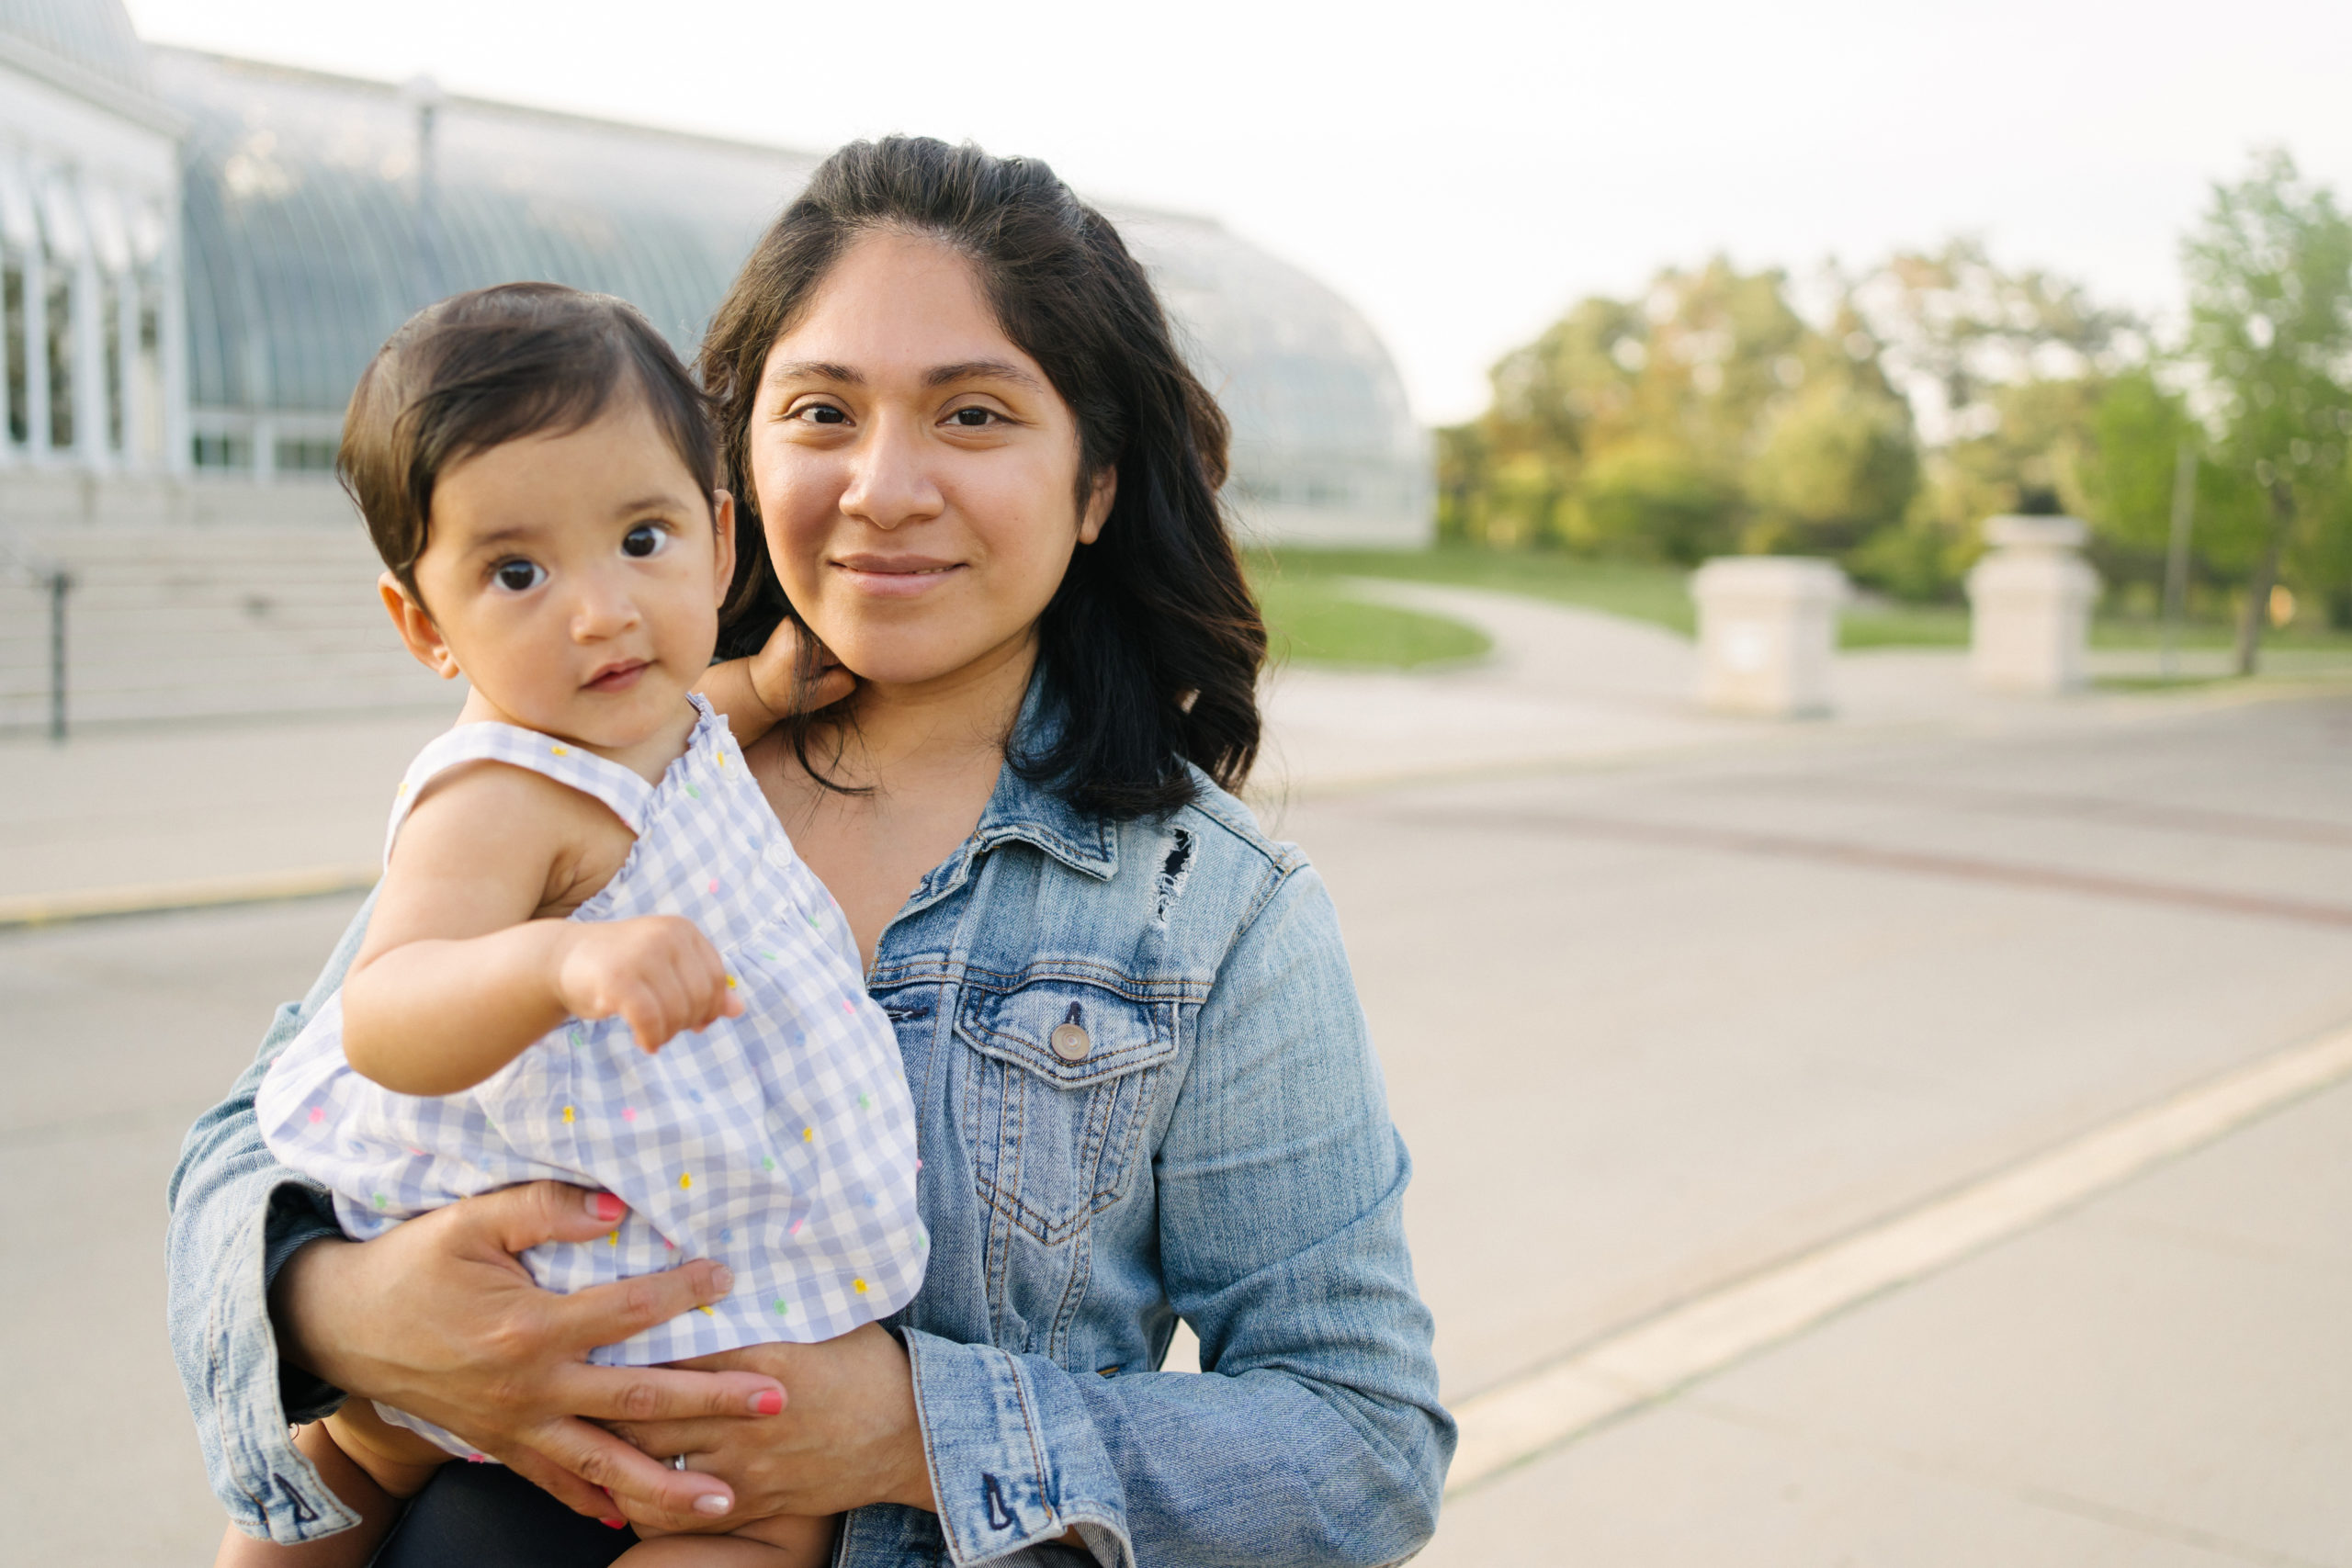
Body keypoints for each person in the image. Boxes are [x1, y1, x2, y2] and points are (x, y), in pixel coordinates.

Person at [168, 136, 1453, 1567]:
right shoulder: (600, 760)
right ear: (742, 461)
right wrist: (354, 1317)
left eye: (973, 416)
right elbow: (261, 1136)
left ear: (1094, 485)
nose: (883, 487)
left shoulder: (1209, 913)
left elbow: (1365, 1446)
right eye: (823, 411)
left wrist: (910, 1429)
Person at [221, 281, 919, 1568]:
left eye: (641, 542)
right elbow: (385, 1010)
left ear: (717, 540)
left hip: (641, 1233)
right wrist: (561, 958)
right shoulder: (500, 792)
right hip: (527, 1259)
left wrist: (762, 688)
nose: (599, 613)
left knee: (755, 1493)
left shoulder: (645, 704)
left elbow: (679, 720)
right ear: (426, 625)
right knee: (376, 1442)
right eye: (518, 571)